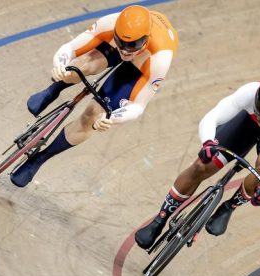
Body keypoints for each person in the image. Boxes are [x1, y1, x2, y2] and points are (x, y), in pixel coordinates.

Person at [10, 5, 178, 187]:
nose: (125, 50)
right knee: (82, 65)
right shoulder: (110, 23)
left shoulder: (160, 59)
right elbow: (71, 48)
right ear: (116, 32)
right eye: (121, 42)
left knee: (93, 114)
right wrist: (60, 65)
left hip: (141, 64)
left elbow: (138, 106)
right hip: (122, 45)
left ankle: (40, 158)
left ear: (145, 40)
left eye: (133, 45)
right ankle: (52, 90)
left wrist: (112, 118)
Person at [135, 78, 260, 249]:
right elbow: (213, 116)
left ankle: (229, 207)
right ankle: (161, 217)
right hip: (247, 123)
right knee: (201, 166)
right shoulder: (249, 92)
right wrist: (208, 143)